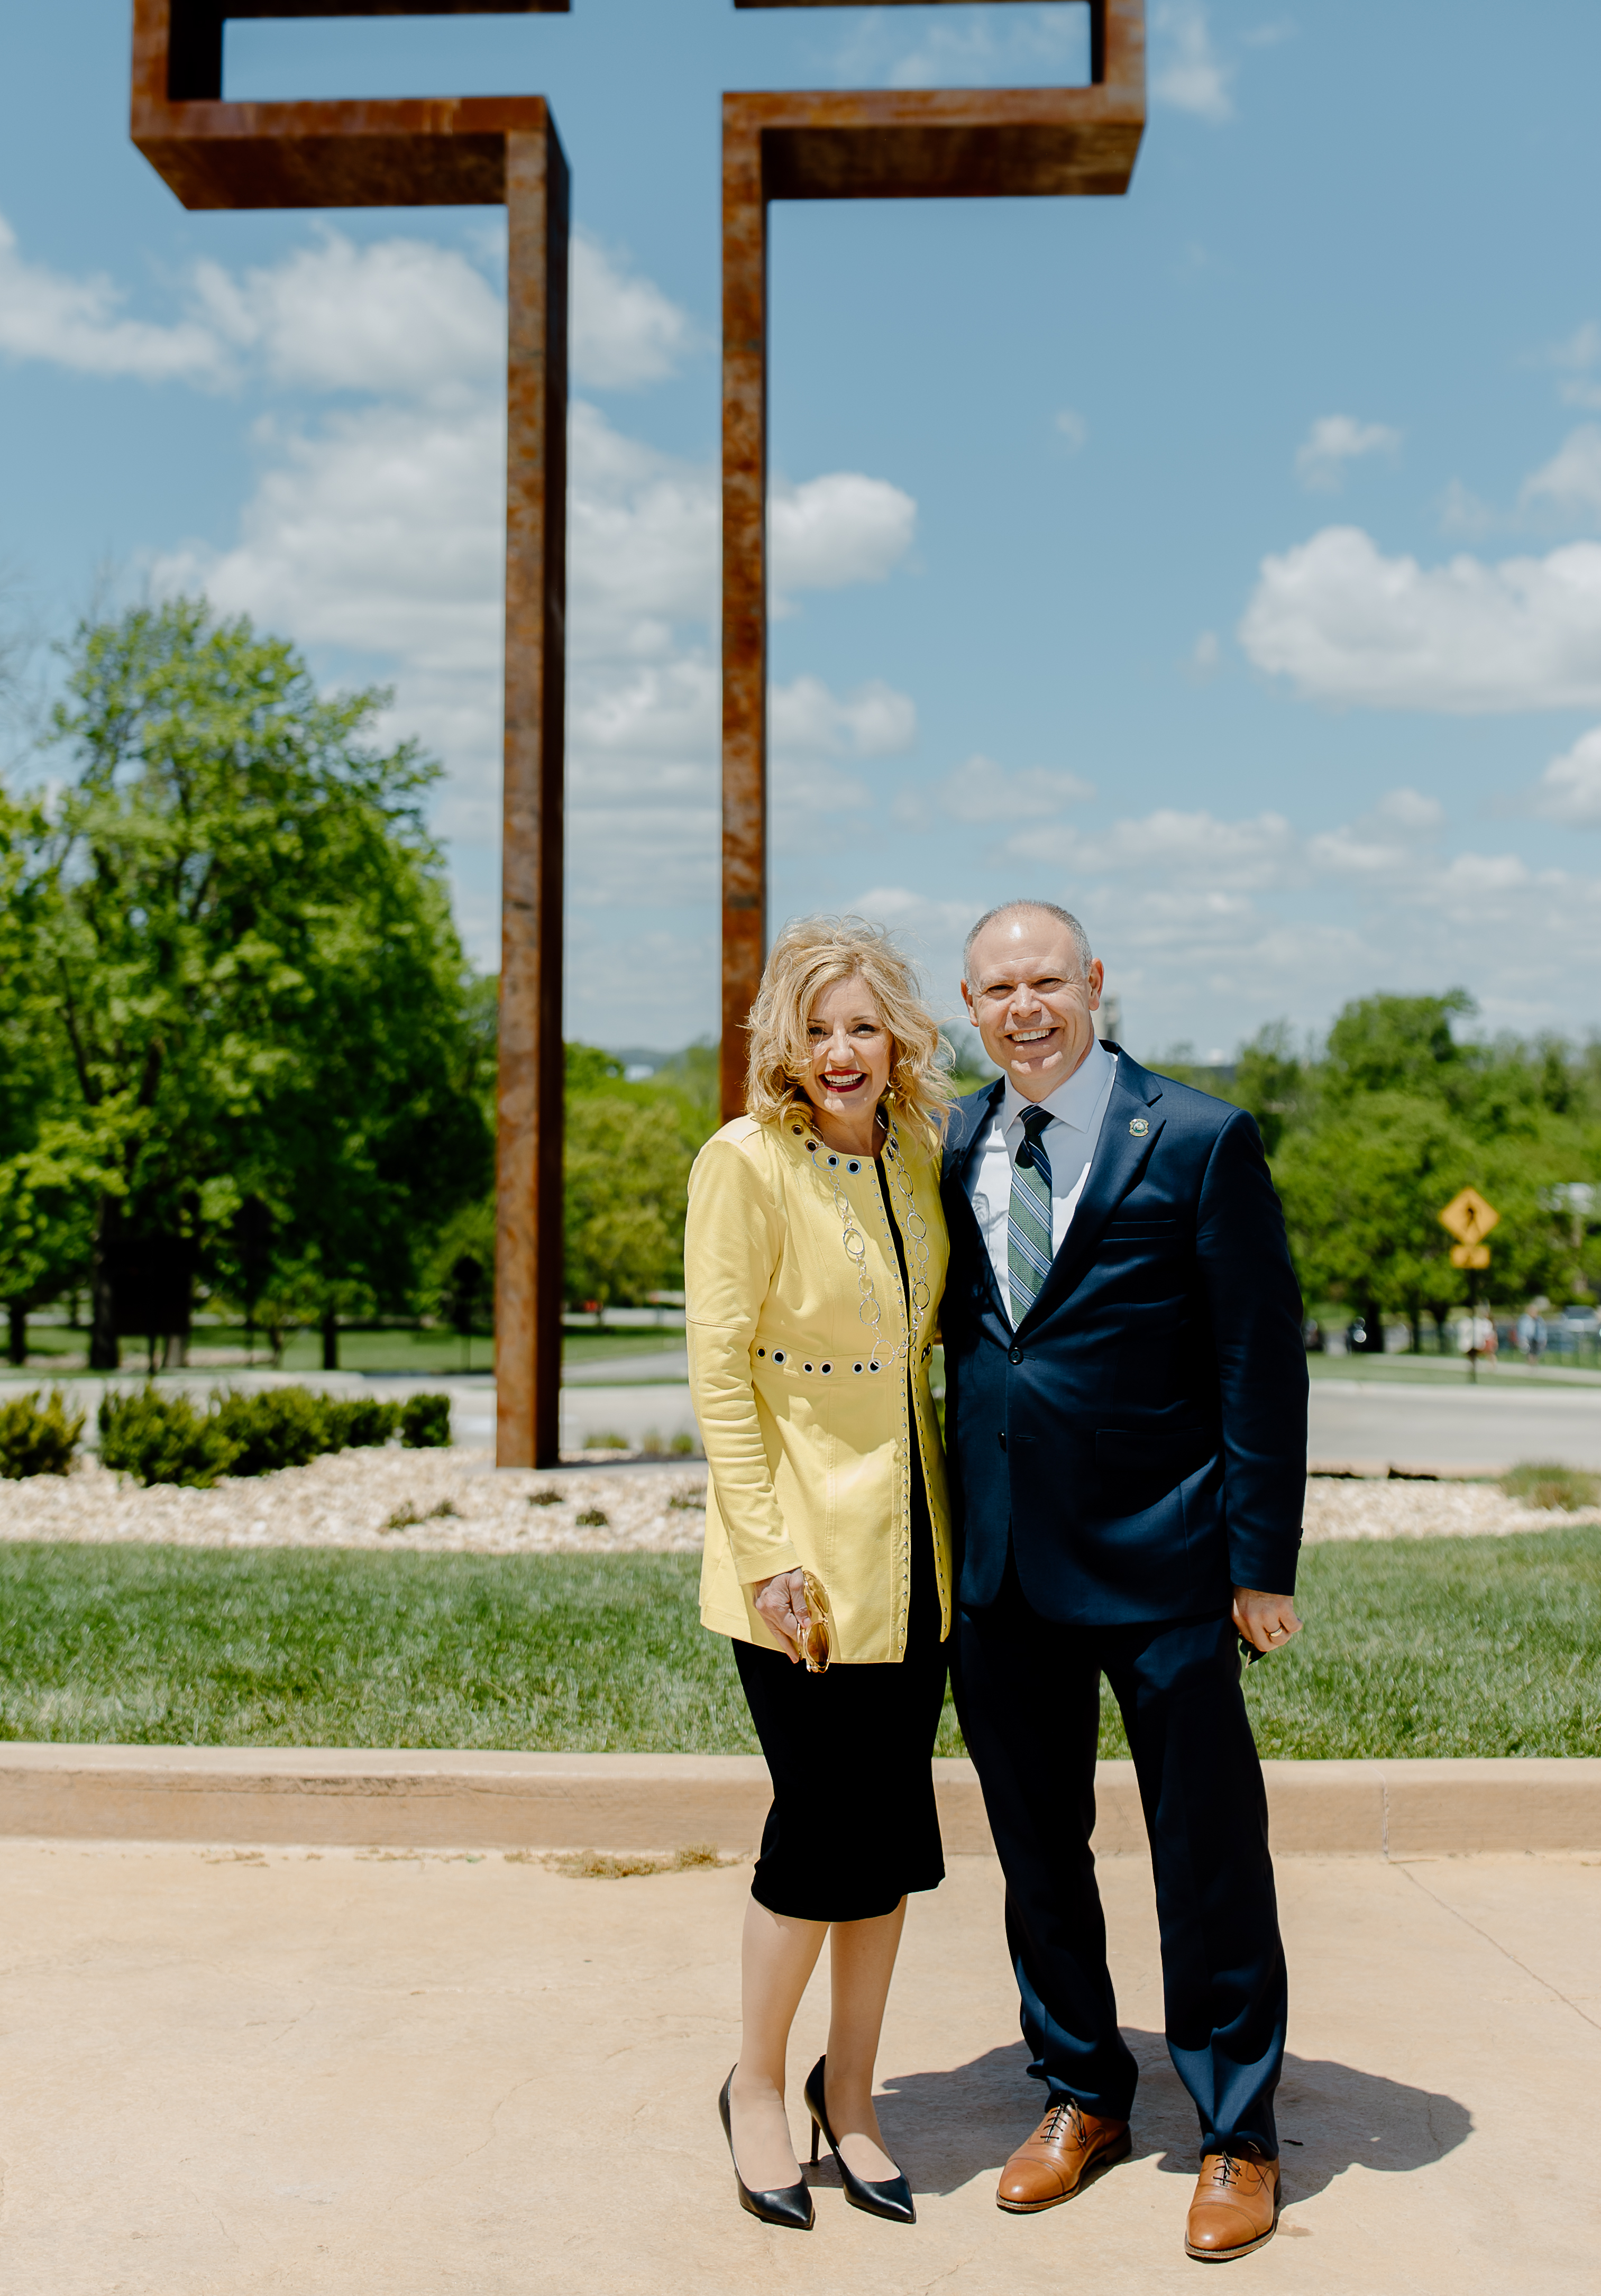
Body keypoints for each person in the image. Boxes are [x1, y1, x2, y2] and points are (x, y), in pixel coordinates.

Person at [940, 900, 1307, 2264]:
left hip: (1166, 1562)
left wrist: (1257, 1563)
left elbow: (1257, 1365)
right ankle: (1079, 2094)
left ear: (1093, 984)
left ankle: (1236, 2129)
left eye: (1045, 980)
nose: (1022, 1006)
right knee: (1038, 1859)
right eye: (996, 988)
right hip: (999, 1573)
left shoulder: (1200, 1139)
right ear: (966, 1007)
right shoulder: (948, 1143)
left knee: (1205, 1859)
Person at [685, 916, 955, 2234]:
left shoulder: (916, 1153)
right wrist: (769, 1553)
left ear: (896, 1034)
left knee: (889, 1840)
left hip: (918, 1553)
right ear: (780, 1042)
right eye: (816, 1028)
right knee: (817, 1831)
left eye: (863, 1026)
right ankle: (751, 2087)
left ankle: (850, 2095)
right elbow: (719, 1378)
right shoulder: (740, 1164)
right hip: (796, 1558)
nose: (841, 1052)